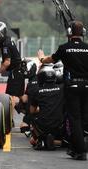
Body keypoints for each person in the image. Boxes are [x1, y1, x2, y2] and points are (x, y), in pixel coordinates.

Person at [37, 20, 88, 160]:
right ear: (82, 33)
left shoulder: (64, 48)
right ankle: (75, 146)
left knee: (75, 119)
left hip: (72, 87)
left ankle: (81, 150)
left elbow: (51, 59)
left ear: (69, 33)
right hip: (86, 87)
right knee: (84, 118)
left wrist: (41, 59)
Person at [0, 21, 25, 107]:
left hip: (15, 72)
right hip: (19, 71)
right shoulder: (6, 40)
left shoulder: (6, 45)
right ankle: (32, 111)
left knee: (9, 97)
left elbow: (6, 62)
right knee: (22, 97)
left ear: (1, 33)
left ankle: (9, 119)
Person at [29, 65, 64, 151]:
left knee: (31, 117)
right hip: (59, 124)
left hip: (43, 125)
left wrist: (42, 109)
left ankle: (40, 140)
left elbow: (31, 111)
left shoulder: (37, 91)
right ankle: (57, 142)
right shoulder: (62, 89)